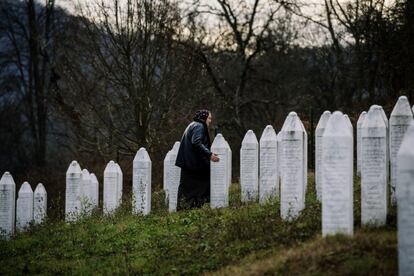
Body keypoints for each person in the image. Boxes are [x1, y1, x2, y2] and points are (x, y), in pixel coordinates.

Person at [175, 109, 220, 210]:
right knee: (205, 183)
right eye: (209, 118)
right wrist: (209, 155)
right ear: (204, 118)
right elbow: (196, 142)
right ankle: (196, 205)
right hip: (193, 165)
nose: (210, 121)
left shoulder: (192, 125)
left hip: (188, 164)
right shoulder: (199, 126)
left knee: (186, 188)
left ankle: (186, 208)